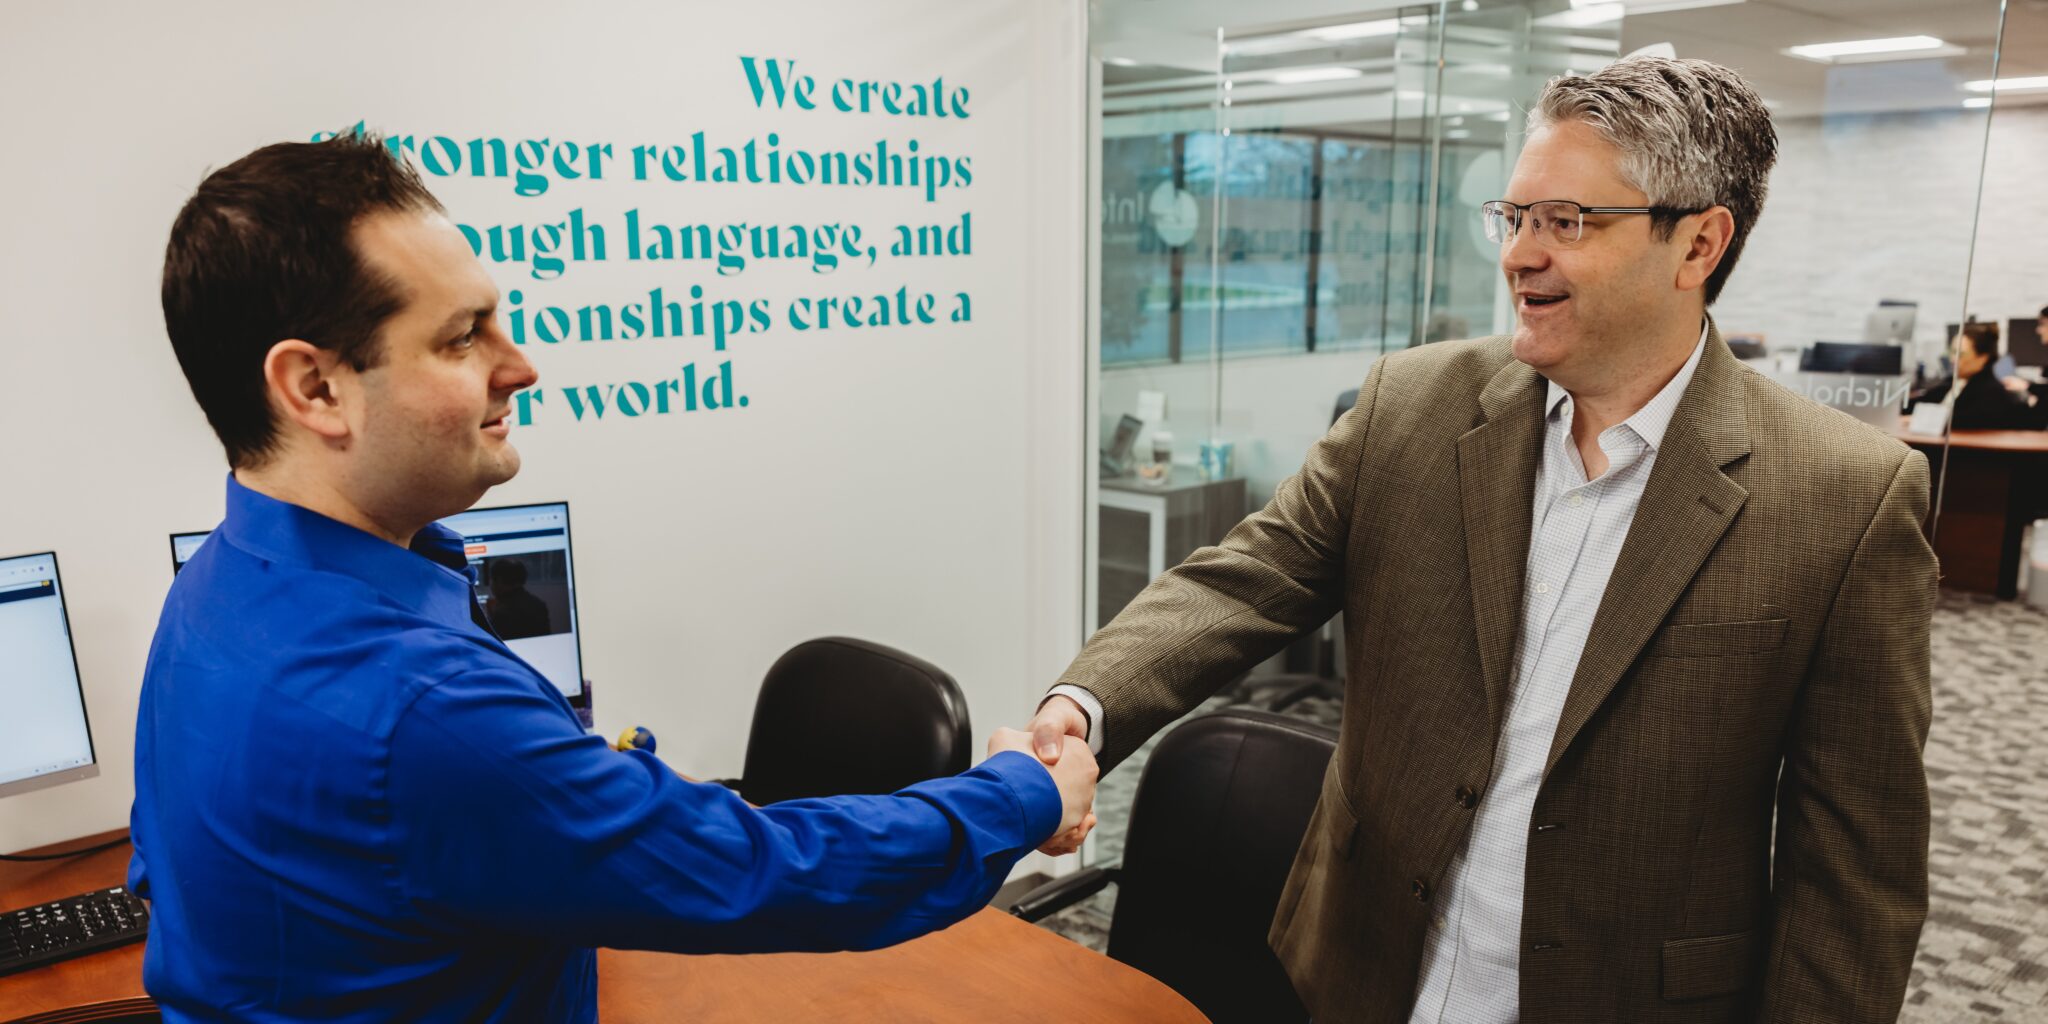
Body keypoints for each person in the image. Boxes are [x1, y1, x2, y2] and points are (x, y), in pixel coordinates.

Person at [1025, 57, 1935, 1023]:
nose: (1519, 255)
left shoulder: (1844, 496)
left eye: (1566, 222)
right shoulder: (1410, 406)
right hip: (1358, 971)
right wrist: (1080, 710)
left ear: (1698, 244)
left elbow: (1854, 866)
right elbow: (1243, 583)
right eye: (1516, 218)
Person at [131, 133, 1097, 1023]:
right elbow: (766, 871)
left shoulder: (213, 595)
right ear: (315, 389)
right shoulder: (422, 707)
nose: (523, 365)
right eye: (463, 337)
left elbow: (169, 864)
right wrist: (1017, 794)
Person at [1921, 321, 2048, 430]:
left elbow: (1962, 420)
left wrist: (1919, 419)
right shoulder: (1951, 383)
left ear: (1982, 358)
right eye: (1952, 352)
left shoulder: (1989, 392)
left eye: (1961, 354)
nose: (1953, 359)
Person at [483, 557, 551, 639]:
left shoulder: (502, 613)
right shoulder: (539, 605)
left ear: (499, 581)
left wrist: (490, 618)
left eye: (492, 580)